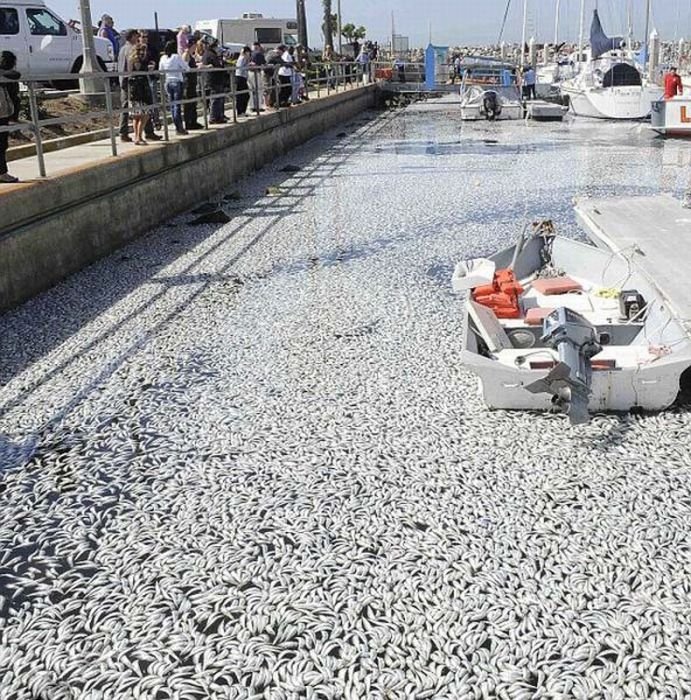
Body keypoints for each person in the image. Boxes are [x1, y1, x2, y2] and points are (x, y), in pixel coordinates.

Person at [0, 51, 21, 183]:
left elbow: (15, 75)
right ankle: (2, 173)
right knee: (1, 143)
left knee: (2, 143)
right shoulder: (4, 74)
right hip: (1, 113)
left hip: (3, 112)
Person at [159, 41, 188, 135]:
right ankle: (179, 127)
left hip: (167, 82)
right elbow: (186, 68)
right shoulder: (176, 57)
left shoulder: (163, 58)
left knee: (172, 105)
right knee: (177, 106)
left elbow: (161, 71)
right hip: (177, 81)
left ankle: (177, 126)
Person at [128, 43, 153, 145]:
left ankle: (137, 137)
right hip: (141, 91)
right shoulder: (140, 61)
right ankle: (138, 137)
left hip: (133, 91)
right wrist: (149, 68)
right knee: (144, 115)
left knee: (136, 116)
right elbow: (141, 71)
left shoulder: (130, 60)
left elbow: (130, 73)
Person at [118, 29, 138, 142]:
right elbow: (131, 64)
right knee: (138, 105)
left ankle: (123, 132)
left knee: (125, 106)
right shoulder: (131, 48)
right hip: (129, 80)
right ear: (132, 37)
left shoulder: (122, 49)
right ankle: (124, 132)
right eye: (136, 36)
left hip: (122, 79)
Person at [202, 39, 227, 124]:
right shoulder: (211, 54)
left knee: (218, 98)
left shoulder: (208, 53)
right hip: (214, 79)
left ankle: (218, 116)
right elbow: (218, 66)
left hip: (214, 79)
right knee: (215, 98)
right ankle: (213, 117)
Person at [181, 40, 203, 130]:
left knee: (193, 102)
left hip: (192, 82)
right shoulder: (186, 54)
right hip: (188, 82)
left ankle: (193, 121)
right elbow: (185, 67)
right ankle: (189, 123)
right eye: (194, 46)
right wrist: (196, 68)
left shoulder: (191, 55)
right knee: (189, 103)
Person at [249, 42, 266, 112]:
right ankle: (258, 106)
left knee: (251, 90)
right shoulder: (259, 54)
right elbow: (264, 63)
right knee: (259, 90)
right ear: (259, 47)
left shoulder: (250, 54)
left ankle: (252, 106)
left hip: (249, 73)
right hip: (256, 73)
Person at [235, 45, 251, 116]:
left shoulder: (243, 58)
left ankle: (242, 111)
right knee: (243, 95)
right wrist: (249, 65)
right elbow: (240, 68)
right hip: (240, 77)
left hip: (242, 77)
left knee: (244, 95)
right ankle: (240, 112)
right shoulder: (243, 58)